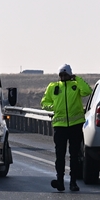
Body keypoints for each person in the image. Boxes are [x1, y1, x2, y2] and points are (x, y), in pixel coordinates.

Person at [41, 64, 92, 192]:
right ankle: (60, 181)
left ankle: (73, 182)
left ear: (70, 75)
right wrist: (52, 108)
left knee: (74, 155)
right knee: (60, 155)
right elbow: (45, 102)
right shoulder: (53, 87)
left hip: (75, 125)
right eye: (61, 75)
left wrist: (77, 79)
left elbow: (87, 91)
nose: (63, 77)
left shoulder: (75, 86)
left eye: (65, 75)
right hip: (59, 126)